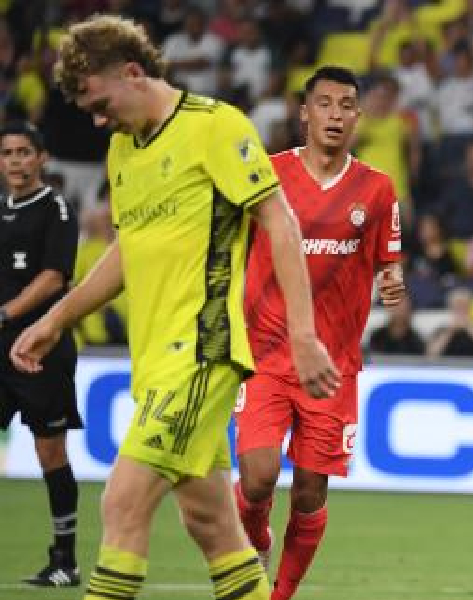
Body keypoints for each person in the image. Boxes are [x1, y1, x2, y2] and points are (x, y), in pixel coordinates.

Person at [10, 15, 339, 600]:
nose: (96, 118)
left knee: (122, 502)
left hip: (202, 351)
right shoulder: (121, 150)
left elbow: (278, 220)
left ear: (133, 73)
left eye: (99, 100)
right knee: (212, 526)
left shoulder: (214, 127)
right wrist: (55, 318)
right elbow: (127, 252)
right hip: (156, 361)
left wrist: (303, 334)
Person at [233, 66, 404, 600]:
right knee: (258, 477)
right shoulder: (265, 176)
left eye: (346, 105)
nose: (335, 114)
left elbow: (389, 263)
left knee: (309, 491)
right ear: (303, 112)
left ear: (358, 114)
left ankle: (278, 595)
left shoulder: (376, 190)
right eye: (324, 104)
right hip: (264, 355)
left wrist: (394, 283)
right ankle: (254, 540)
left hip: (332, 370)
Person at [0, 121, 80, 586]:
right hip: (1, 348)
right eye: (8, 153)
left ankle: (64, 561)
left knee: (50, 451)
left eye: (23, 152)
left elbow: (54, 277)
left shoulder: (56, 209)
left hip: (41, 347)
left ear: (41, 158)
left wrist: (7, 314)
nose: (15, 161)